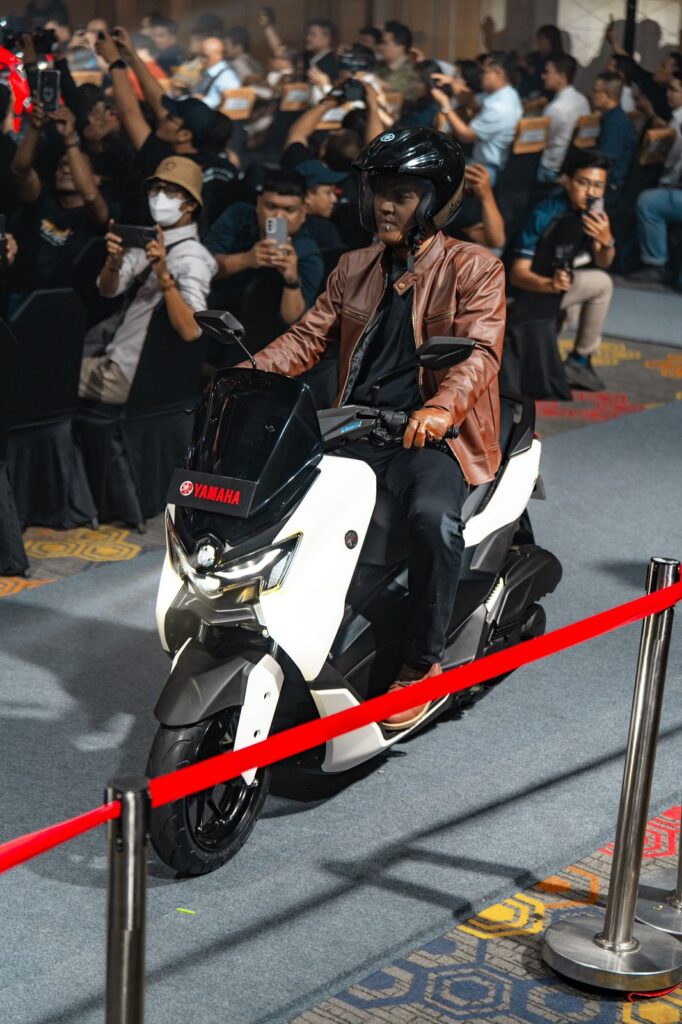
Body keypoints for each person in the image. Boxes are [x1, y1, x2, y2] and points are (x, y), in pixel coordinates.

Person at [235, 128, 505, 728]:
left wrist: (442, 408)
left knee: (433, 521)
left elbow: (480, 353)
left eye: (402, 194)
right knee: (284, 512)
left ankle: (423, 660)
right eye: (380, 191)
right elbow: (308, 338)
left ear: (434, 202)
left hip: (429, 438)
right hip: (353, 429)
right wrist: (246, 373)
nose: (385, 205)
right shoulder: (353, 266)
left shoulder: (475, 268)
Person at [79, 156, 216, 404]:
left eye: (171, 191)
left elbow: (191, 330)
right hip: (114, 355)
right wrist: (114, 261)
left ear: (190, 204)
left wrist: (164, 276)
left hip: (131, 373)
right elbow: (107, 290)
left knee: (48, 370)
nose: (160, 196)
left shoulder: (192, 258)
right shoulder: (148, 240)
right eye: (156, 188)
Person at [510, 149, 616, 391]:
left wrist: (607, 240)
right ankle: (578, 360)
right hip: (521, 293)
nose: (591, 192)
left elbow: (604, 261)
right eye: (583, 183)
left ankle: (552, 360)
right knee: (602, 283)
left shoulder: (593, 211)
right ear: (566, 181)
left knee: (574, 307)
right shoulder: (545, 213)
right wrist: (550, 285)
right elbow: (517, 274)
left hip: (556, 281)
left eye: (598, 186)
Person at [205, 170, 323, 354]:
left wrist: (291, 279)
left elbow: (293, 319)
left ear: (303, 212)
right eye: (271, 206)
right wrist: (247, 259)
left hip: (261, 345)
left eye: (289, 210)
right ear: (259, 204)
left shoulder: (308, 254)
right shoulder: (238, 216)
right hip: (214, 319)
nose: (278, 217)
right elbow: (204, 266)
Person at [9, 104, 108, 296]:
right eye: (62, 164)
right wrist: (35, 127)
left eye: (74, 166)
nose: (66, 169)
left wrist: (70, 140)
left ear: (97, 179)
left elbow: (90, 196)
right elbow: (20, 171)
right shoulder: (44, 198)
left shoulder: (96, 217)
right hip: (21, 296)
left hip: (61, 303)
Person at [435, 52, 522, 185]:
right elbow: (471, 100)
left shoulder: (500, 107)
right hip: (480, 161)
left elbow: (466, 135)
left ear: (498, 73)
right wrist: (453, 82)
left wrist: (445, 106)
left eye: (484, 72)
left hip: (485, 169)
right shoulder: (503, 94)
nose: (480, 76)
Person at [630, 70, 682, 285]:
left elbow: (671, 161)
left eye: (674, 90)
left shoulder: (679, 120)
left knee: (648, 202)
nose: (668, 94)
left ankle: (655, 263)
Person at [537, 55, 590, 183]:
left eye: (547, 72)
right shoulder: (582, 100)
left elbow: (541, 140)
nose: (543, 76)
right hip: (571, 165)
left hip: (550, 168)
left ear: (561, 77)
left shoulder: (555, 108)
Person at [592, 71, 637, 200]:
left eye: (596, 91)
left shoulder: (615, 124)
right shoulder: (615, 117)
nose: (593, 95)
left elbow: (605, 161)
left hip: (609, 188)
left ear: (608, 94)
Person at [297, 159, 346, 249]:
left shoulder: (286, 224)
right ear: (307, 196)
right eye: (328, 193)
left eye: (334, 192)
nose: (334, 199)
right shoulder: (324, 230)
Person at [376, 20, 421, 101]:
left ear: (400, 46)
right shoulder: (380, 68)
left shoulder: (414, 72)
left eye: (385, 43)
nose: (380, 47)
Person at [191, 36, 240, 109]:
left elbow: (234, 104)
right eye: (200, 55)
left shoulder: (226, 76)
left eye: (205, 56)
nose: (202, 60)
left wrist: (203, 100)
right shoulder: (209, 72)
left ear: (218, 55)